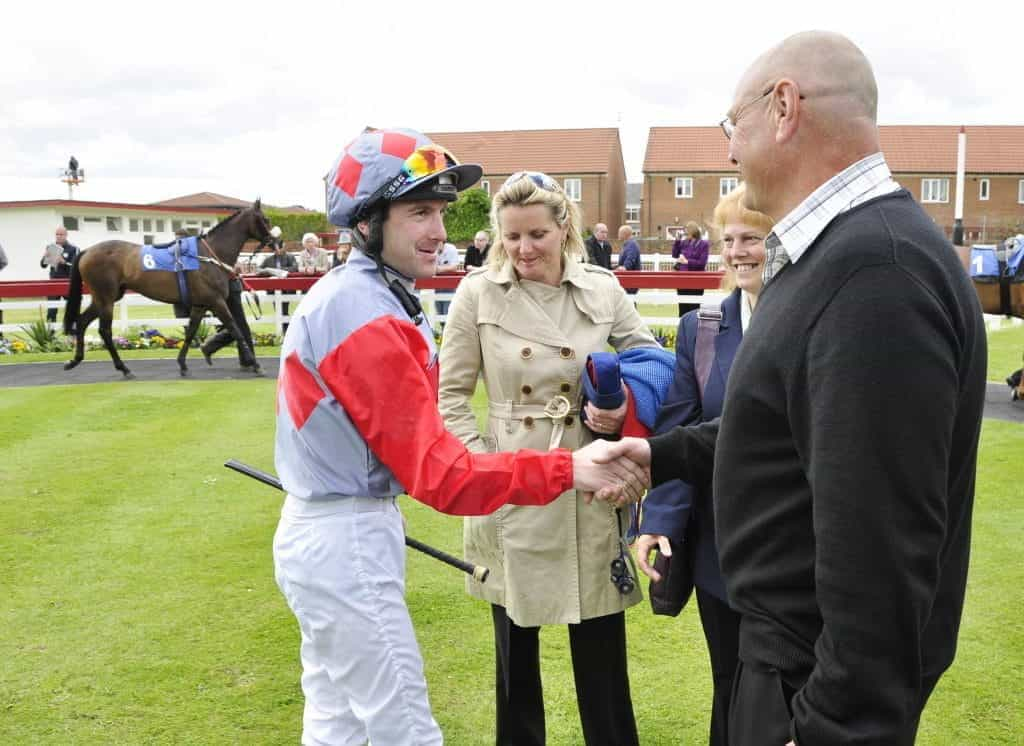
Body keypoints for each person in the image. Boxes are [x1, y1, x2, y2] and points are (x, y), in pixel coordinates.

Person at [595, 31, 986, 746]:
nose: (729, 152)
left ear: (783, 107)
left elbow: (882, 550)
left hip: (809, 691)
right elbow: (791, 427)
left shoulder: (877, 274)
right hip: (780, 665)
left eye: (730, 125)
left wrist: (830, 726)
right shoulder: (839, 257)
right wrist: (664, 456)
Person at [273, 128, 647, 746]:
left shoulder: (369, 297)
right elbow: (441, 471)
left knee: (339, 724)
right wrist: (569, 469)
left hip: (349, 526)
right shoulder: (365, 312)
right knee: (403, 731)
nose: (440, 232)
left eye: (441, 212)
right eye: (419, 211)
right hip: (349, 536)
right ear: (368, 221)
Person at [438, 171, 661, 746]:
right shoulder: (477, 293)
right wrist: (483, 469)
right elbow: (451, 398)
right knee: (515, 664)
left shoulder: (603, 289)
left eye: (536, 234)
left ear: (565, 228)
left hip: (589, 483)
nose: (523, 250)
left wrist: (621, 410)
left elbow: (654, 368)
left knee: (603, 660)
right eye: (510, 237)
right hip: (510, 484)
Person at [634, 183, 771, 746]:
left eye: (752, 238)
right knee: (729, 683)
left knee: (780, 696)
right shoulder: (705, 327)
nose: (737, 251)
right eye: (729, 239)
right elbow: (679, 433)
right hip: (721, 546)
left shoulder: (816, 319)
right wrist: (659, 522)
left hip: (795, 551)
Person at [199, 262, 258, 371]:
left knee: (237, 328)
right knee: (242, 328)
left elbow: (237, 276)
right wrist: (232, 269)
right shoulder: (219, 254)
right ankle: (247, 362)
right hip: (228, 291)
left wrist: (248, 288)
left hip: (234, 288)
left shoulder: (230, 254)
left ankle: (209, 347)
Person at [40, 227, 80, 323]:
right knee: (51, 311)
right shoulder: (51, 247)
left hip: (68, 283)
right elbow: (43, 265)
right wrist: (45, 257)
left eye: (61, 234)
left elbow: (76, 267)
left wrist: (64, 262)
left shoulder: (74, 249)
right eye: (57, 234)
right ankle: (50, 335)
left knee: (71, 310)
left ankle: (72, 334)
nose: (58, 236)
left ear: (66, 235)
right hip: (53, 283)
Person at [671, 221, 709, 316]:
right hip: (682, 281)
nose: (685, 233)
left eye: (686, 231)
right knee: (683, 310)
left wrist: (687, 262)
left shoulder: (703, 244)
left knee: (694, 310)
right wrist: (677, 240)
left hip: (696, 281)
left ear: (693, 232)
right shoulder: (684, 243)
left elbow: (702, 263)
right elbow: (674, 254)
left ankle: (693, 330)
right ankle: (683, 329)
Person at [433, 239, 460, 321]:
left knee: (447, 310)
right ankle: (442, 330)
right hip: (436, 285)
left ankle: (446, 330)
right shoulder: (433, 251)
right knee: (439, 309)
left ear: (443, 242)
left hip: (449, 284)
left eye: (438, 243)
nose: (436, 245)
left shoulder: (451, 249)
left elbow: (454, 267)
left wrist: (439, 269)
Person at [615, 224, 642, 300]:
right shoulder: (627, 245)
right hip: (628, 279)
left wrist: (624, 267)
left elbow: (630, 260)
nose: (618, 235)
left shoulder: (632, 244)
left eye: (619, 233)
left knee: (629, 302)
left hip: (631, 279)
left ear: (625, 234)